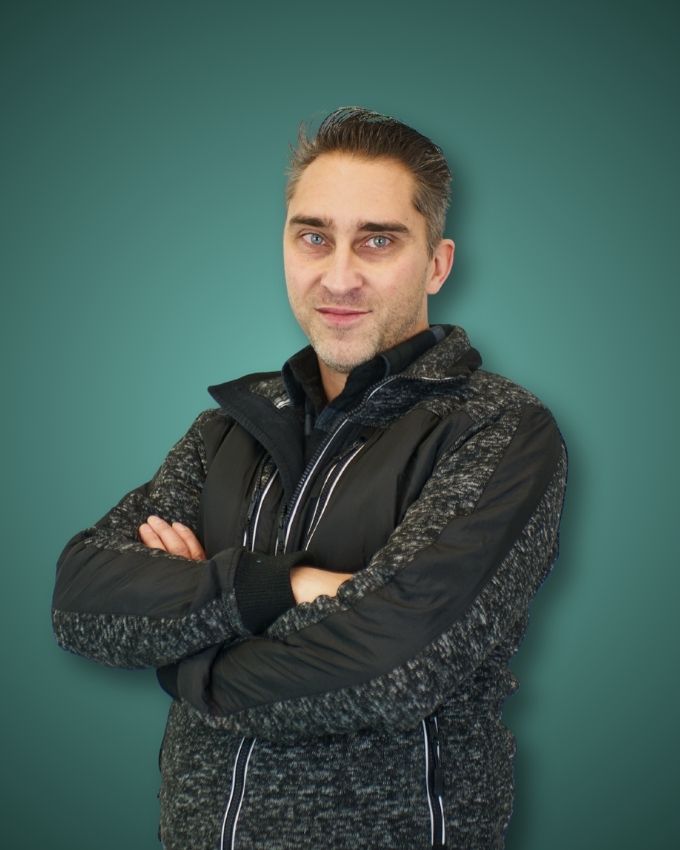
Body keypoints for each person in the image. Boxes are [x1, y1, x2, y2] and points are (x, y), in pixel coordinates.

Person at [52, 106, 568, 850]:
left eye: (378, 240)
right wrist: (283, 586)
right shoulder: (228, 430)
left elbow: (392, 667)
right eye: (313, 237)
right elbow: (81, 598)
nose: (339, 275)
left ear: (437, 263)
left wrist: (186, 658)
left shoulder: (499, 431)